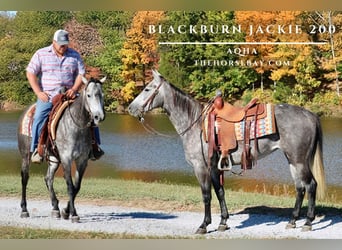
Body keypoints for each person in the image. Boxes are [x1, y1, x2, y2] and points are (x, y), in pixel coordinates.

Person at [26, 29, 104, 163]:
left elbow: (81, 74)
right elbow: (30, 73)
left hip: (70, 94)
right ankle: (37, 150)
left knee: (91, 114)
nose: (63, 47)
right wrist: (39, 92)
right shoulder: (41, 54)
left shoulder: (74, 55)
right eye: (61, 44)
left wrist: (74, 89)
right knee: (39, 117)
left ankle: (94, 147)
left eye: (65, 44)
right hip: (49, 95)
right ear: (54, 42)